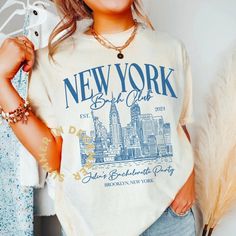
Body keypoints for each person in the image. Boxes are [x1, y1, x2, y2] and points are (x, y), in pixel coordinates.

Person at [0, 0, 196, 235]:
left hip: (169, 220)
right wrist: (2, 84)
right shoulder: (52, 61)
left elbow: (177, 123)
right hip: (91, 225)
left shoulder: (171, 49)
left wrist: (189, 179)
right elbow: (53, 158)